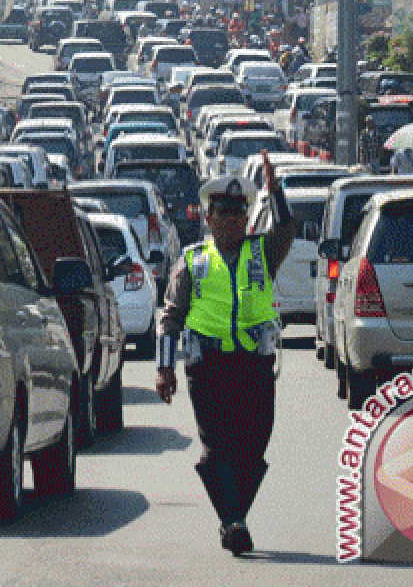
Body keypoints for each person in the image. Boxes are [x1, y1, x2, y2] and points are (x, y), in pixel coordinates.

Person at [154, 153, 297, 556]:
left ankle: (233, 515)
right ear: (208, 217)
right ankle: (234, 522)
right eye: (222, 212)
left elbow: (286, 228)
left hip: (254, 366)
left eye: (238, 212)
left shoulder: (262, 253)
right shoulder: (193, 259)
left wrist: (276, 192)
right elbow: (171, 318)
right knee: (217, 448)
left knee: (254, 446)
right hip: (210, 369)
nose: (231, 219)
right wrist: (165, 369)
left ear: (247, 217)